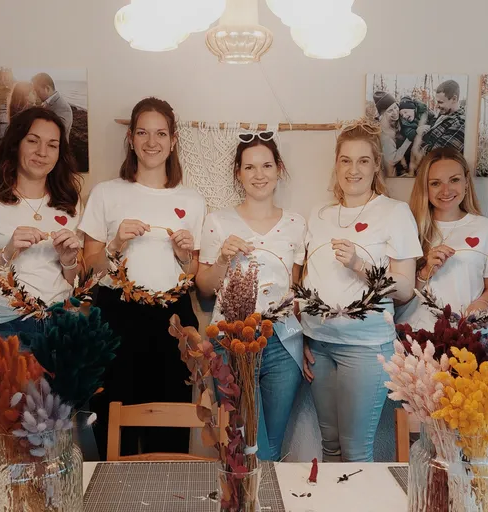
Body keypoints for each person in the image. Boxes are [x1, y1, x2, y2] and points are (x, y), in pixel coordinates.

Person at [81, 97, 206, 460]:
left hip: (172, 320)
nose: (152, 142)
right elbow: (88, 269)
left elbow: (193, 275)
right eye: (143, 132)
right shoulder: (106, 193)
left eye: (161, 133)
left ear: (174, 139)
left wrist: (185, 258)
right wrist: (117, 243)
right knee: (113, 427)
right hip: (115, 319)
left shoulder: (192, 200)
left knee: (168, 429)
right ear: (131, 139)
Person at [300, 120, 420, 462]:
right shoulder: (319, 214)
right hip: (319, 346)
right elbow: (312, 279)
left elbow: (406, 287)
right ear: (336, 164)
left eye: (363, 160)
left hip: (366, 346)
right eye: (346, 160)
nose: (353, 169)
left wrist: (360, 265)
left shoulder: (395, 213)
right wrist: (304, 337)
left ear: (376, 165)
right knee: (330, 446)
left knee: (355, 451)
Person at [195, 133, 305, 461]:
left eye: (267, 165)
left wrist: (310, 341)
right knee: (248, 442)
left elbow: (297, 291)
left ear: (279, 169)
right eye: (250, 167)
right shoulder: (217, 222)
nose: (259, 174)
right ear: (238, 174)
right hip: (231, 342)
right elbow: (203, 287)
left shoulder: (297, 224)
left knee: (272, 438)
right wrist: (224, 259)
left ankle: (258, 498)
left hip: (283, 343)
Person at [0, 107, 82, 340]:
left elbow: (76, 281)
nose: (42, 152)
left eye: (52, 145)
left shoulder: (69, 203)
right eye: (33, 141)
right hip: (5, 330)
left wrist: (68, 261)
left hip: (63, 326)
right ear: (16, 144)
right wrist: (6, 253)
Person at [398, 147, 488, 331]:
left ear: (466, 182)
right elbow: (398, 296)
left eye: (454, 180)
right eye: (436, 183)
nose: (446, 191)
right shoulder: (407, 226)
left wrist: (481, 303)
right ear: (425, 187)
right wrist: (426, 271)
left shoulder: (487, 229)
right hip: (415, 334)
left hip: (466, 335)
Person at [419, 80, 466, 155]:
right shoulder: (445, 115)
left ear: (454, 99)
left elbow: (435, 155)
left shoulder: (460, 124)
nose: (437, 106)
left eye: (440, 102)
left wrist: (419, 138)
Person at [373, 92, 414, 178]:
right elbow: (392, 160)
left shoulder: (401, 116)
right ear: (382, 114)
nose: (395, 112)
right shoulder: (384, 134)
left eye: (395, 107)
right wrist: (409, 140)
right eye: (390, 111)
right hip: (395, 172)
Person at [32, 73, 73, 141]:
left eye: (37, 91)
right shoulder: (45, 102)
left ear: (47, 89)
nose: (36, 94)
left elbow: (57, 133)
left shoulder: (64, 108)